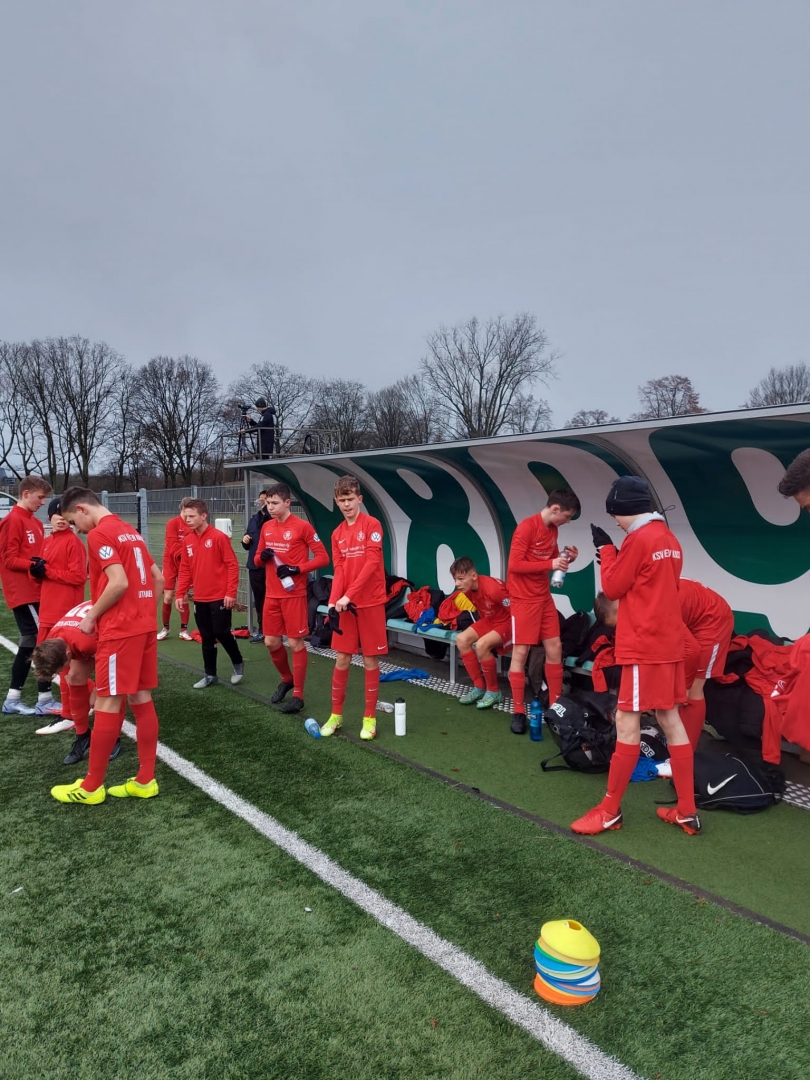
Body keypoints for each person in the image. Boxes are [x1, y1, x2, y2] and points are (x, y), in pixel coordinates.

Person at [571, 475, 699, 836]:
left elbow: (612, 588)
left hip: (645, 646)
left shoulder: (639, 539)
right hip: (668, 645)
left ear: (626, 509)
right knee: (670, 719)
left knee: (626, 722)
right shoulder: (669, 539)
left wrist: (606, 551)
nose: (614, 520)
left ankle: (609, 811)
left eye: (615, 513)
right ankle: (687, 811)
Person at [50, 487, 164, 805]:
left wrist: (91, 617)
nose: (77, 529)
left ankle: (91, 787)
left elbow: (119, 582)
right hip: (143, 627)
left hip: (119, 631)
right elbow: (158, 579)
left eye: (74, 522)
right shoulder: (131, 531)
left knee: (107, 703)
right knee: (141, 697)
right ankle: (145, 780)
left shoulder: (101, 534)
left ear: (82, 509)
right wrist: (144, 614)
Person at [594, 579, 735, 749]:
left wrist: (685, 686)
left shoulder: (653, 609)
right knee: (674, 688)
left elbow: (693, 651)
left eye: (620, 623)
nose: (623, 628)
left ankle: (687, 752)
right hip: (688, 618)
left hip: (712, 621)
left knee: (692, 692)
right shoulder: (635, 603)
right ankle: (678, 742)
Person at [506, 488, 580, 734]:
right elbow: (515, 565)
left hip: (543, 597)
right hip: (523, 599)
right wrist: (550, 563)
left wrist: (566, 559)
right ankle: (518, 711)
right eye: (567, 516)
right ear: (555, 509)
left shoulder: (553, 530)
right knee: (521, 653)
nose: (568, 521)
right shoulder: (526, 527)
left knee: (555, 647)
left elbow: (549, 560)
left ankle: (556, 708)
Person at [319, 475, 387, 741]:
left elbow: (371, 564)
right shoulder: (337, 534)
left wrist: (349, 596)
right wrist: (333, 601)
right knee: (342, 658)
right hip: (346, 605)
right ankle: (336, 715)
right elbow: (340, 570)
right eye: (342, 500)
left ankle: (369, 719)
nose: (346, 504)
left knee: (370, 659)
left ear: (359, 499)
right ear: (336, 502)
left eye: (350, 499)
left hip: (370, 603)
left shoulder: (372, 525)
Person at [258, 483, 329, 714]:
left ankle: (298, 695)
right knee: (271, 642)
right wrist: (262, 556)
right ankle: (286, 679)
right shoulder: (266, 526)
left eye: (275, 503)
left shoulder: (302, 527)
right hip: (271, 595)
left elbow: (323, 558)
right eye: (268, 503)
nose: (270, 507)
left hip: (294, 595)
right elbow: (257, 559)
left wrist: (297, 569)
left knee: (296, 643)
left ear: (287, 503)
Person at [0, 473, 61, 717]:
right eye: (40, 497)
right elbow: (8, 559)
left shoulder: (34, 523)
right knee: (43, 642)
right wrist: (33, 565)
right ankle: (44, 699)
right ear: (26, 494)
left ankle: (12, 700)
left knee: (28, 643)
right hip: (23, 592)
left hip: (37, 590)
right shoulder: (13, 520)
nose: (43, 502)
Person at [29, 497, 88, 734]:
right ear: (50, 517)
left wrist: (48, 571)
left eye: (66, 515)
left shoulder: (74, 543)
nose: (62, 519)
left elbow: (78, 577)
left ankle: (69, 713)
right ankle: (74, 707)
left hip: (65, 613)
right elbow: (41, 577)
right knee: (54, 664)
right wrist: (35, 573)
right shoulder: (46, 542)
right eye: (57, 514)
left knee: (65, 666)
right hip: (48, 610)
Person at [175, 499, 244, 689]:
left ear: (204, 516)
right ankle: (210, 674)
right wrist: (180, 593)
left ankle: (238, 662)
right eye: (185, 516)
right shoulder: (187, 541)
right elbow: (185, 569)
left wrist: (230, 592)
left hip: (220, 596)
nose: (187, 520)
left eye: (192, 516)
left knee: (221, 632)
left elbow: (232, 565)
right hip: (200, 597)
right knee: (206, 636)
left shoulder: (219, 537)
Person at [32, 600, 109, 767]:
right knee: (73, 678)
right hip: (87, 632)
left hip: (117, 633)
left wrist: (98, 689)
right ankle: (83, 736)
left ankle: (113, 738)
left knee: (109, 694)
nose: (60, 672)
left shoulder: (87, 642)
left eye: (59, 668)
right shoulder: (53, 639)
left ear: (68, 654)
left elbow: (113, 661)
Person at [449, 556, 512, 710]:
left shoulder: (494, 589)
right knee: (462, 639)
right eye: (455, 579)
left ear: (474, 576)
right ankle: (479, 687)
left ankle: (494, 691)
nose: (457, 584)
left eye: (461, 579)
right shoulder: (467, 590)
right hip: (491, 620)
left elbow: (516, 612)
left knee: (482, 645)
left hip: (508, 622)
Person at [157, 499, 192, 641]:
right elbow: (172, 545)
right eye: (188, 510)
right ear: (183, 508)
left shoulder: (193, 524)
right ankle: (165, 628)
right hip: (171, 562)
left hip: (186, 564)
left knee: (184, 596)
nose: (190, 515)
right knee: (168, 596)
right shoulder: (172, 523)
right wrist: (186, 555)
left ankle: (184, 630)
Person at [241, 489, 270, 642]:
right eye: (261, 499)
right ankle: (262, 629)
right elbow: (247, 544)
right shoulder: (254, 519)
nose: (261, 502)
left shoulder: (272, 519)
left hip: (270, 567)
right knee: (259, 599)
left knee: (271, 600)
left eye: (265, 499)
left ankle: (274, 630)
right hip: (255, 567)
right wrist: (245, 540)